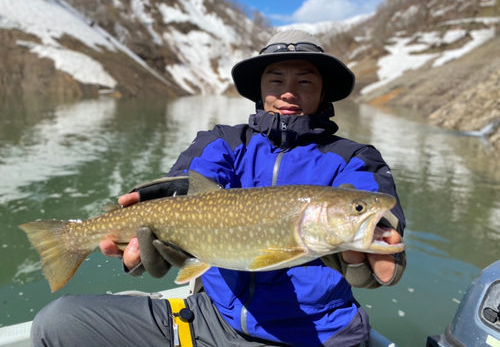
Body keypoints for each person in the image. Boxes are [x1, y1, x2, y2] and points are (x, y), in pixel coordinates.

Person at [31, 30, 406, 347]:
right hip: (212, 320)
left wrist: (371, 254)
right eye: (276, 80)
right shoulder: (222, 142)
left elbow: (385, 238)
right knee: (57, 323)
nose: (289, 92)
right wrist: (153, 224)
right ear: (260, 89)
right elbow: (185, 189)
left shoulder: (354, 159)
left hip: (316, 336)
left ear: (324, 93)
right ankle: (67, 240)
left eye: (305, 81)